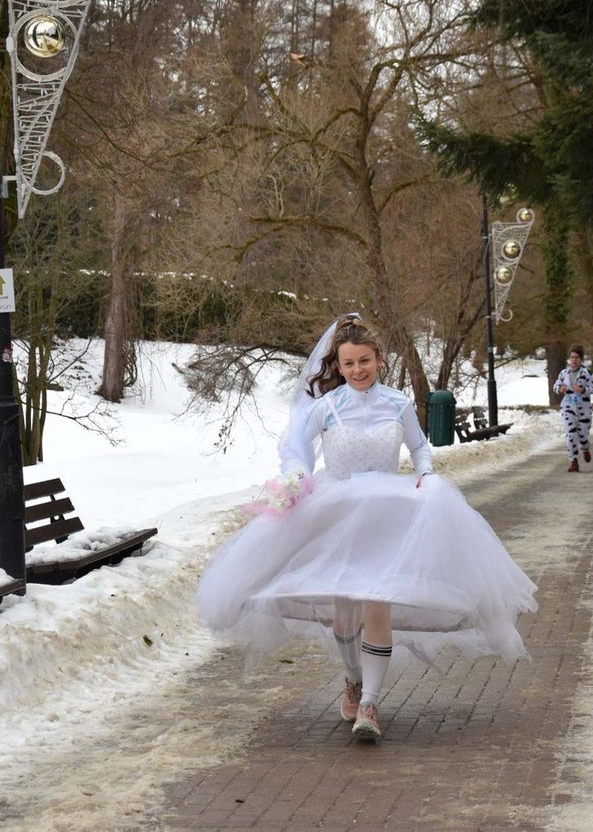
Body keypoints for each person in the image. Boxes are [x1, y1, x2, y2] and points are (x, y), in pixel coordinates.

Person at [195, 314, 537, 744]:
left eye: (364, 361)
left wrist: (426, 474)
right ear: (338, 366)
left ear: (378, 360)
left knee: (379, 603)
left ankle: (370, 704)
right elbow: (296, 449)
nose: (357, 369)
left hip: (387, 516)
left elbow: (419, 447)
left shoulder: (397, 403)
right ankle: (354, 679)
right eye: (349, 363)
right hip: (338, 516)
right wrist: (297, 477)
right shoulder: (326, 407)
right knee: (345, 614)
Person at [553, 345, 593, 472]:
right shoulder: (564, 373)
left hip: (583, 409)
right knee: (570, 434)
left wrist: (583, 390)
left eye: (576, 357)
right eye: (572, 357)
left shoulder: (587, 373)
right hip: (568, 407)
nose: (574, 360)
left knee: (583, 436)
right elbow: (555, 386)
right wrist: (559, 389)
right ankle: (573, 461)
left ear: (581, 359)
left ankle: (585, 448)